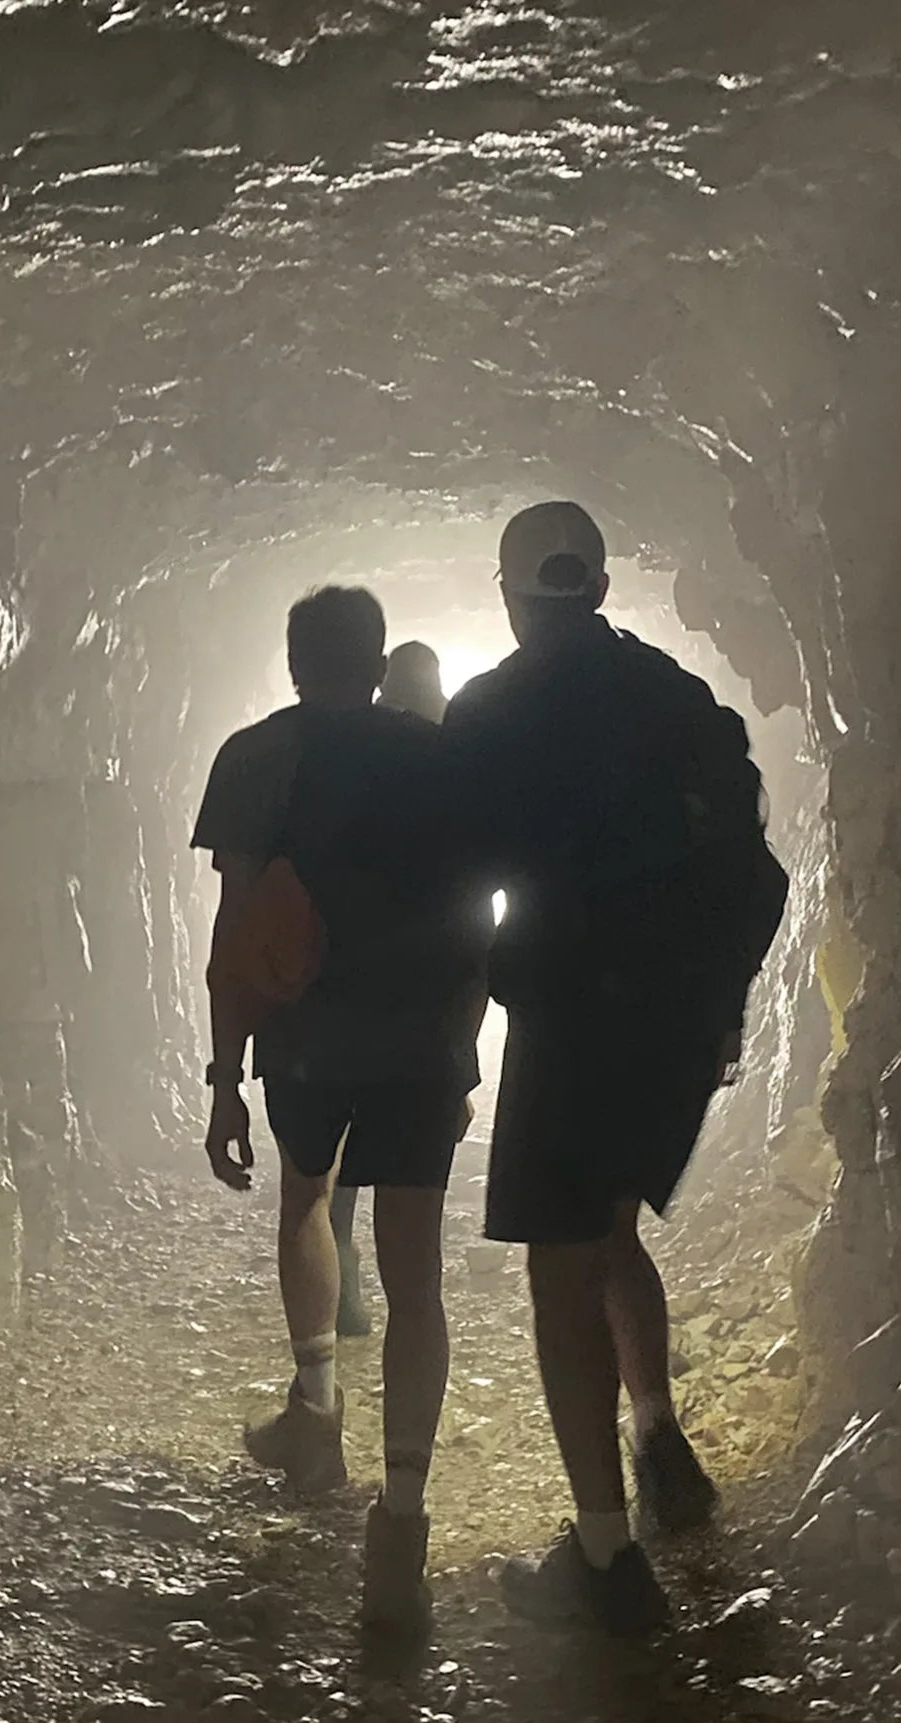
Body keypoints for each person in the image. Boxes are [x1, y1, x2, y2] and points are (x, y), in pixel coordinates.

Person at [442, 503, 787, 1635]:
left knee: (560, 1267)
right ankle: (657, 1438)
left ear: (509, 594)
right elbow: (754, 874)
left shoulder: (491, 711)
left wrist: (456, 1020)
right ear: (596, 586)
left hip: (569, 1020)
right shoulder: (676, 697)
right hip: (669, 1024)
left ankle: (604, 1550)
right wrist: (720, 1009)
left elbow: (462, 882)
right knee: (610, 1230)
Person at [193, 589, 487, 1636]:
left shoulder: (254, 758)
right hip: (417, 1042)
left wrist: (225, 1076)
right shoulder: (441, 761)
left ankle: (316, 1410)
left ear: (293, 660)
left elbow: (237, 930)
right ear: (374, 661)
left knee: (306, 1200)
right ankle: (400, 1518)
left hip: (307, 1038)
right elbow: (478, 912)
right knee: (414, 1273)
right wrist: (463, 1049)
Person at [331, 638, 453, 1342]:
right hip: (422, 1010)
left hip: (349, 991)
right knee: (410, 1178)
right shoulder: (451, 763)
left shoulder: (352, 755)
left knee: (343, 1152)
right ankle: (407, 1309)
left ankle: (342, 1278)